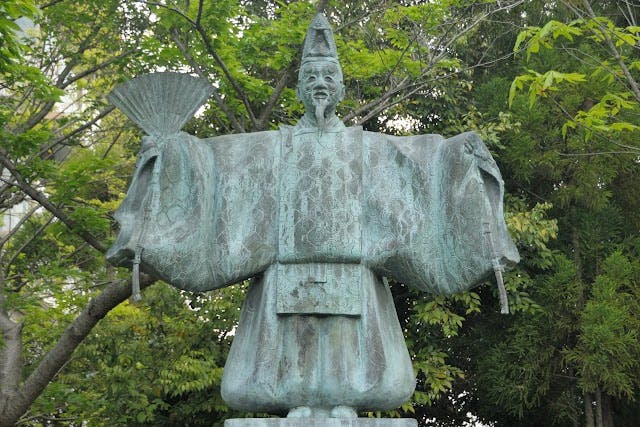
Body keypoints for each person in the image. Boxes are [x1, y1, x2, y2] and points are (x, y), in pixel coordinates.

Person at [107, 13, 519, 419]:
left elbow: (421, 164)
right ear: (299, 89)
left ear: (341, 88)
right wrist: (172, 151)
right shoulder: (268, 148)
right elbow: (213, 166)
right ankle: (295, 401)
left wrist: (457, 158)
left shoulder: (369, 150)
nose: (320, 84)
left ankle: (345, 402)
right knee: (286, 360)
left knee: (353, 361)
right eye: (311, 78)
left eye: (328, 77)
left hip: (356, 282)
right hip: (281, 282)